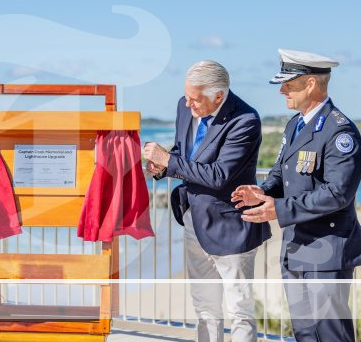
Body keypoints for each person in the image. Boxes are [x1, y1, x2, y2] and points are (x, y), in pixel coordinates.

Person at [232, 49, 361, 341]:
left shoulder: (340, 132)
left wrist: (278, 209)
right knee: (304, 333)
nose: (281, 91)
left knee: (330, 334)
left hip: (327, 252)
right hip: (296, 248)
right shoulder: (295, 125)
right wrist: (261, 192)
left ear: (311, 84)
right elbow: (281, 173)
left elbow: (337, 194)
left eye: (288, 84)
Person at [144, 60, 270, 342]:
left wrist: (170, 161)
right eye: (187, 97)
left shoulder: (245, 120)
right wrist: (162, 167)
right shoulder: (184, 105)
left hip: (232, 225)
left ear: (218, 95)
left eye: (195, 99)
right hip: (193, 220)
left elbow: (218, 175)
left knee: (239, 307)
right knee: (204, 306)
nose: (189, 105)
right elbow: (183, 153)